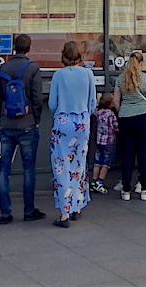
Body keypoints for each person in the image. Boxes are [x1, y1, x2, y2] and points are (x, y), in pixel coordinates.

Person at [0, 33, 46, 224]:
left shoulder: (2, 68)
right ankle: (29, 210)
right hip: (27, 125)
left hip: (6, 124)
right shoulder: (32, 68)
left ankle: (5, 213)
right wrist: (36, 118)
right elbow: (38, 98)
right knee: (28, 169)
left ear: (14, 47)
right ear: (29, 48)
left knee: (4, 169)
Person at [48, 41, 95, 227]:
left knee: (61, 165)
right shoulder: (88, 74)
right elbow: (92, 103)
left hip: (63, 120)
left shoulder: (59, 75)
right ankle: (77, 206)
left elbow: (52, 103)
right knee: (79, 165)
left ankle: (64, 213)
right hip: (82, 121)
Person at [113, 50, 146, 201]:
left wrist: (122, 112)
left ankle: (126, 191)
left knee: (127, 154)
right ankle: (145, 190)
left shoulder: (120, 78)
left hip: (126, 118)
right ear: (141, 64)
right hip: (144, 118)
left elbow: (116, 100)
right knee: (143, 154)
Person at [90, 93, 118, 194]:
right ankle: (100, 182)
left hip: (98, 140)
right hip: (108, 141)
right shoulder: (111, 114)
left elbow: (94, 109)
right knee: (106, 163)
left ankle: (93, 181)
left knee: (98, 161)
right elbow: (115, 127)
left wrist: (98, 98)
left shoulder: (98, 112)